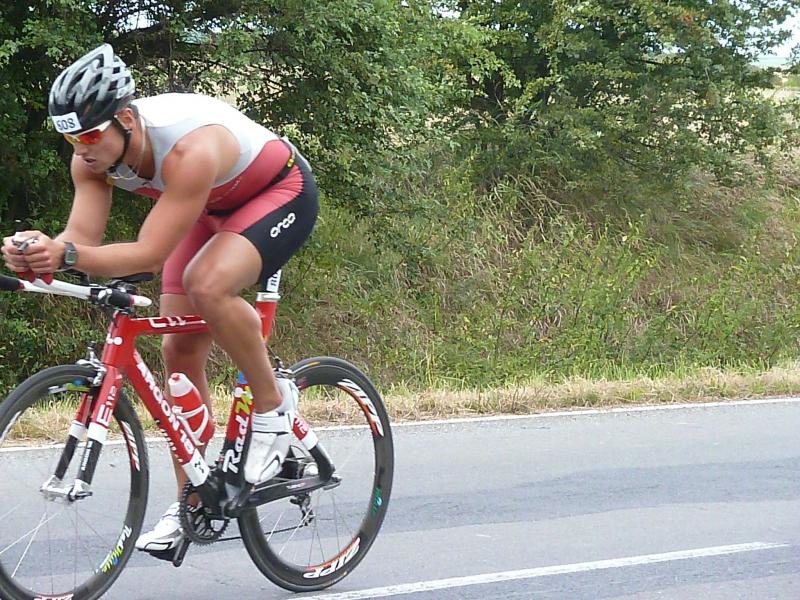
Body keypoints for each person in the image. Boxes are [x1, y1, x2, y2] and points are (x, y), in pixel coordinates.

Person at [0, 44, 319, 553]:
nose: (81, 148)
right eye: (70, 138)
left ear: (126, 119)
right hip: (207, 210)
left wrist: (65, 254)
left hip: (278, 194)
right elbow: (81, 240)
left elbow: (148, 254)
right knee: (179, 354)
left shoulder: (189, 148)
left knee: (207, 284)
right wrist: (42, 254)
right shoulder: (90, 159)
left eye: (89, 135)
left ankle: (273, 406)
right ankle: (192, 497)